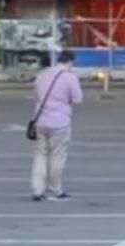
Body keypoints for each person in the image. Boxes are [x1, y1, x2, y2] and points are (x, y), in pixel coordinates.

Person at [29, 49, 84, 202]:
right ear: (70, 62)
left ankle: (38, 190)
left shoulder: (42, 75)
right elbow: (78, 99)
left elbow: (36, 96)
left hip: (40, 121)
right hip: (60, 123)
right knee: (57, 156)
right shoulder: (70, 78)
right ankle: (56, 189)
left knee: (40, 155)